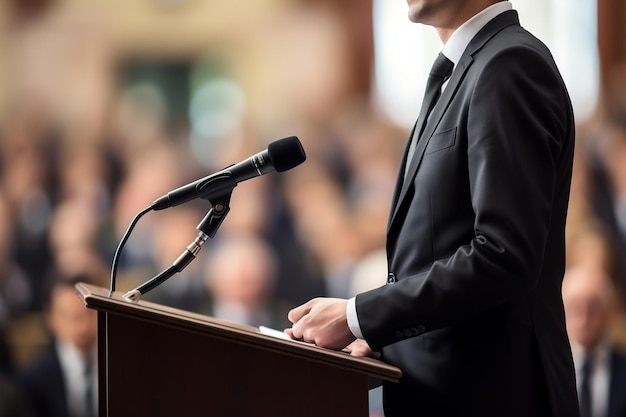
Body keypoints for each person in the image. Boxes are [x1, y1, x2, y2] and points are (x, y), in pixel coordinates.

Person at [286, 1, 579, 416]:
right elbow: (440, 248)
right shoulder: (464, 69)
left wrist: (359, 315)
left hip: (493, 395)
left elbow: (504, 255)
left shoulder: (509, 64)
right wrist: (386, 335)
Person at [19, 275, 99, 417]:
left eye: (90, 314)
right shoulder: (32, 381)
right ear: (51, 318)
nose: (84, 326)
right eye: (73, 317)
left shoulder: (123, 368)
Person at [563, 264, 626, 417]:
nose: (584, 318)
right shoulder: (550, 370)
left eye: (593, 307)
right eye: (575, 307)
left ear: (609, 311)